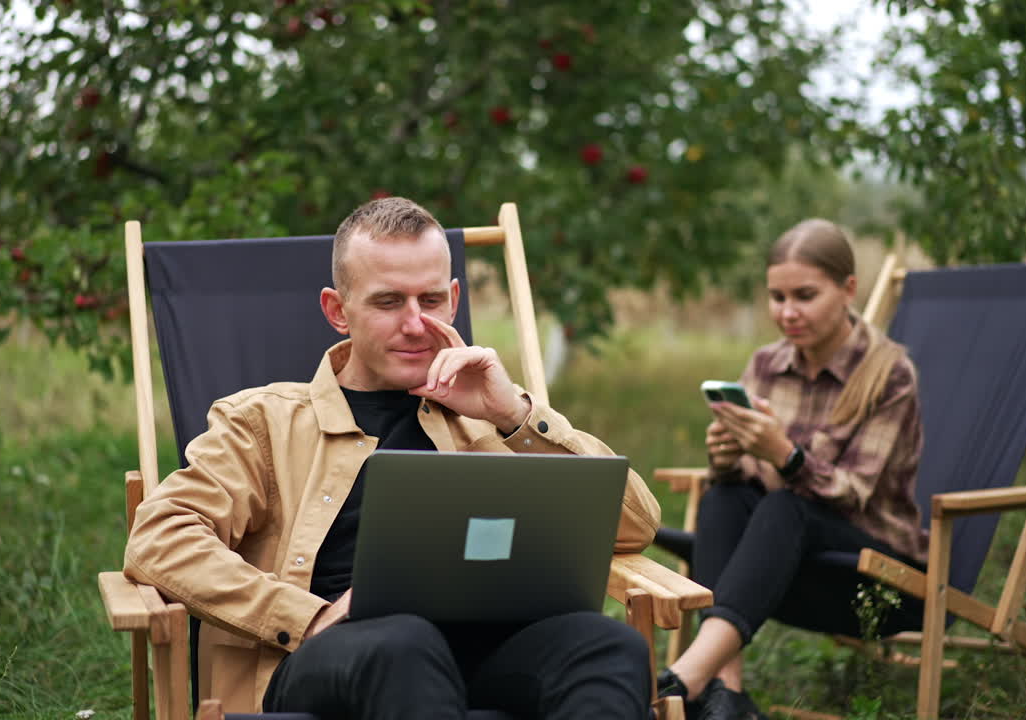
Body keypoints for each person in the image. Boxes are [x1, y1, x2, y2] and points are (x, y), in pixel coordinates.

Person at [123, 197, 661, 719]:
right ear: (337, 310)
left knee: (608, 646)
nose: (414, 324)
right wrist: (305, 617)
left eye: (429, 301)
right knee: (406, 643)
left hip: (488, 647)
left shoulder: (492, 415)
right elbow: (161, 537)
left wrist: (515, 415)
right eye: (387, 302)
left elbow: (635, 525)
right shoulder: (264, 422)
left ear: (453, 300)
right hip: (331, 657)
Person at [653, 219, 929, 720]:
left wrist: (784, 454)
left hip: (880, 583)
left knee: (787, 506)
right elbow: (742, 486)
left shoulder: (889, 374)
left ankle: (689, 677)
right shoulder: (765, 365)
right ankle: (726, 694)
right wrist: (728, 457)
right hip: (789, 569)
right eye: (776, 297)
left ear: (849, 289)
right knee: (724, 497)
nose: (787, 312)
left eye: (804, 295)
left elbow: (854, 494)